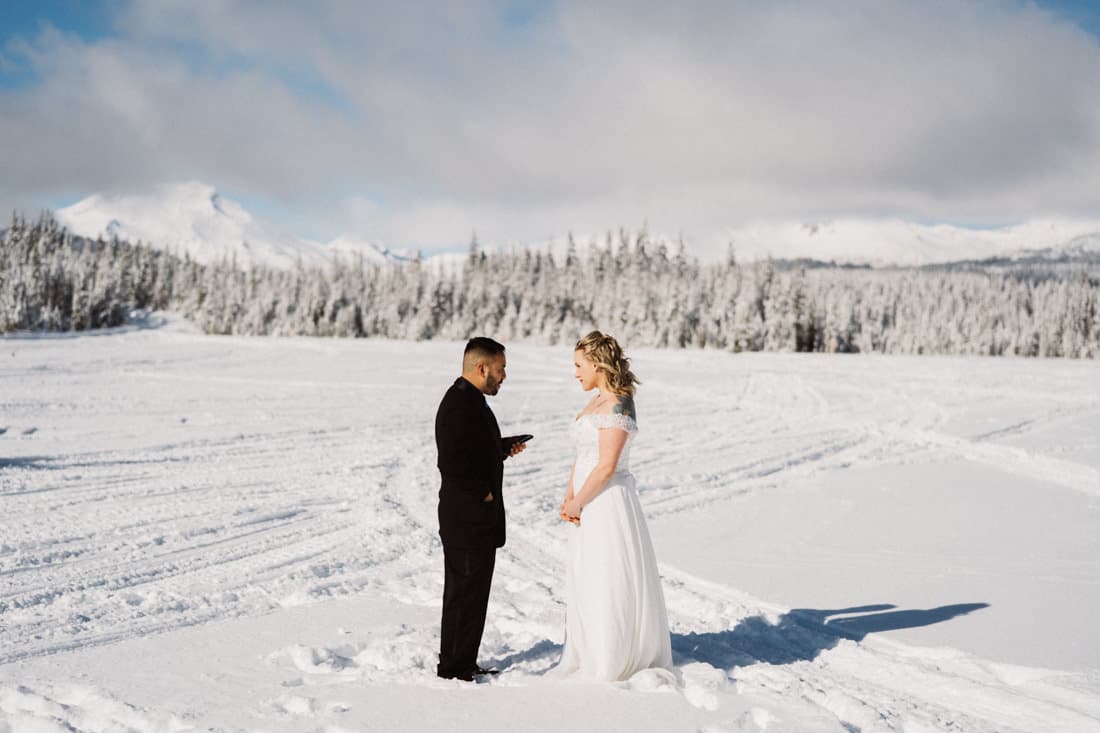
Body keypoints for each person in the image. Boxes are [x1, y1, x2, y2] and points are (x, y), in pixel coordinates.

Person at [555, 331, 673, 681]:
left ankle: (612, 655)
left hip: (607, 502)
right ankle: (589, 647)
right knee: (586, 574)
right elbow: (583, 454)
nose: (575, 372)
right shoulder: (593, 402)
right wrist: (569, 496)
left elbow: (607, 465)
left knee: (608, 574)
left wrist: (580, 500)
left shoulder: (620, 402)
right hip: (585, 500)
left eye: (579, 365)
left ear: (597, 364)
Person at [435, 337, 528, 681]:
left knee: (471, 595)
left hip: (472, 519)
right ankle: (454, 669)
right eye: (501, 369)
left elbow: (471, 449)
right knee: (463, 594)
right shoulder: (460, 404)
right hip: (467, 519)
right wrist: (483, 494)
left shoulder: (470, 399)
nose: (504, 376)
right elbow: (453, 463)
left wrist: (501, 448)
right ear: (481, 368)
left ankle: (462, 662)